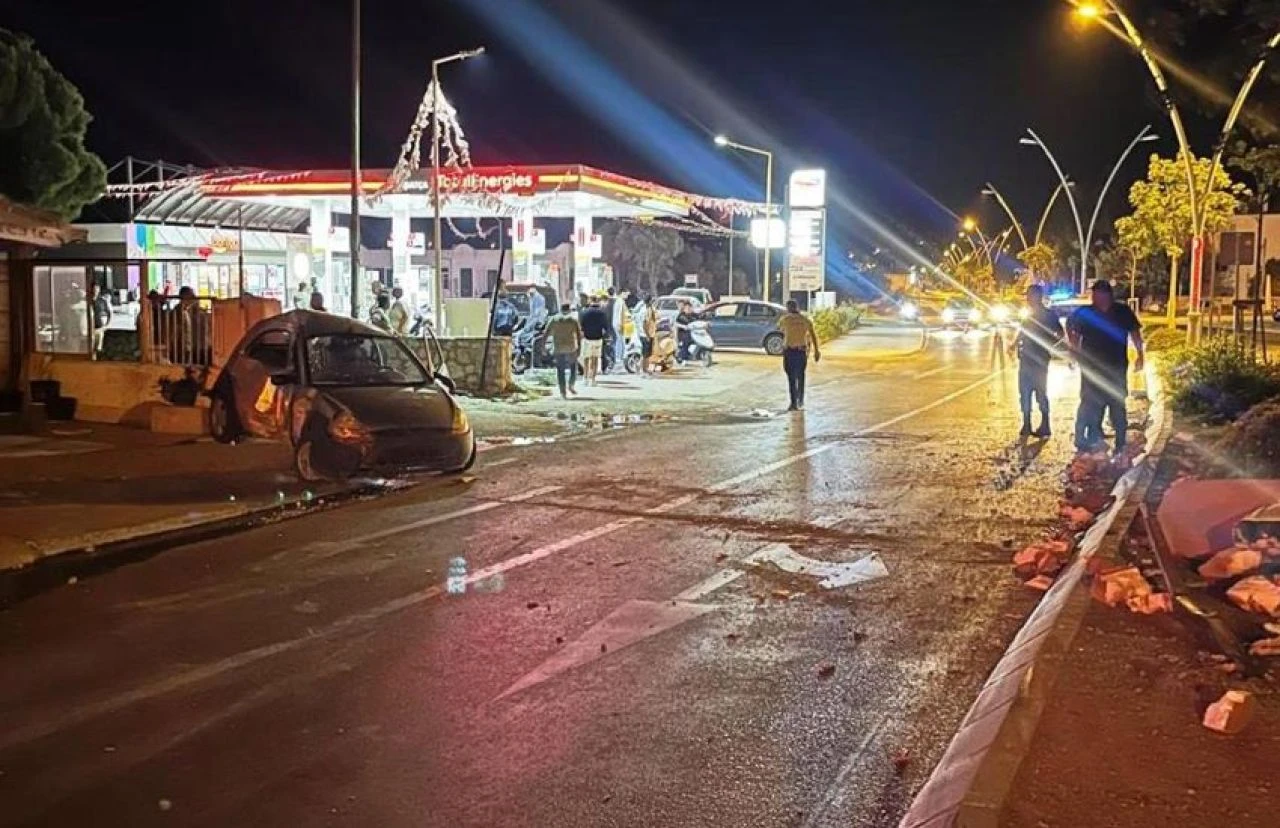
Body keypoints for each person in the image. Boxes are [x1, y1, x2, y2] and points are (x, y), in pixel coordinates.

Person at [1068, 279, 1145, 453]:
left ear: (1108, 295)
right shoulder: (1085, 313)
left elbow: (1135, 333)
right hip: (1091, 368)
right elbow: (1071, 327)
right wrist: (1073, 349)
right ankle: (1084, 438)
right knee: (1089, 402)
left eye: (1100, 295)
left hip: (1116, 367)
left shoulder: (1122, 311)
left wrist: (1140, 355)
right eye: (1094, 295)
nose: (1096, 298)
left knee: (1117, 403)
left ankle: (1120, 442)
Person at [1010, 284, 1063, 438]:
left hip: (1039, 360)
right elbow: (1023, 331)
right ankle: (1026, 424)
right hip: (1026, 358)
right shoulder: (1028, 315)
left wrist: (1048, 344)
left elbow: (1059, 333)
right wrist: (1014, 345)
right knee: (1025, 393)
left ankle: (1045, 424)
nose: (1027, 298)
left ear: (1038, 296)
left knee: (1040, 393)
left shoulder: (1049, 315)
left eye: (1030, 295)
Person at [778, 299, 821, 411]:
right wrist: (816, 351)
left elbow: (781, 331)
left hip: (789, 351)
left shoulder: (785, 319)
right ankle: (800, 400)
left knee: (791, 378)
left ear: (788, 308)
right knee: (800, 376)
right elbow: (813, 335)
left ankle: (793, 403)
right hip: (801, 352)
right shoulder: (805, 320)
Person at [545, 303, 583, 399]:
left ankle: (563, 392)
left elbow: (545, 333)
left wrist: (543, 346)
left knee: (560, 370)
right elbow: (579, 335)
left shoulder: (554, 319)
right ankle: (571, 384)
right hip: (571, 347)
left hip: (558, 346)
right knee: (573, 367)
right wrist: (579, 347)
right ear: (569, 310)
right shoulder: (573, 320)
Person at [578, 295, 610, 385]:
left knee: (586, 358)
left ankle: (585, 377)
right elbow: (606, 326)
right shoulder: (602, 313)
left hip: (587, 338)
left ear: (590, 301)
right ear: (597, 301)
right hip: (598, 338)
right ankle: (593, 379)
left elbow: (580, 325)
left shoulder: (584, 312)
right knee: (595, 359)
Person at [91, 284, 112, 355]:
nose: (95, 291)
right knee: (90, 349)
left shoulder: (102, 301)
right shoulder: (88, 301)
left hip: (99, 327)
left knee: (98, 349)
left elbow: (109, 313)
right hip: (89, 329)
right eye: (94, 289)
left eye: (97, 289)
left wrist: (107, 325)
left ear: (99, 290)